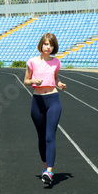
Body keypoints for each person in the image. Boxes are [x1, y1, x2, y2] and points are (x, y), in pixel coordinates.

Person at [24, 33, 67, 185]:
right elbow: (26, 81)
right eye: (46, 44)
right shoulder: (32, 62)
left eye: (51, 45)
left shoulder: (56, 62)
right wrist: (33, 80)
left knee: (50, 136)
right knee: (41, 136)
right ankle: (44, 169)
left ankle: (49, 170)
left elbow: (55, 78)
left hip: (53, 100)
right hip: (37, 101)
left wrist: (59, 83)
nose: (48, 47)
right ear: (41, 45)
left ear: (54, 47)